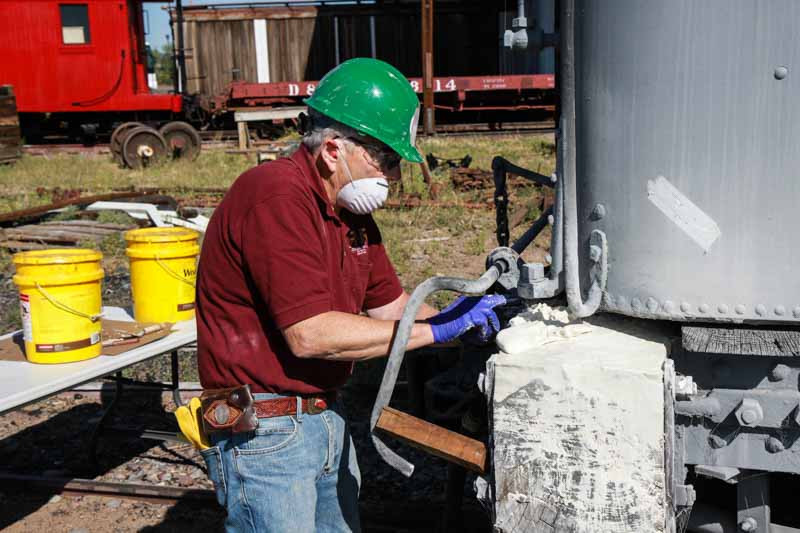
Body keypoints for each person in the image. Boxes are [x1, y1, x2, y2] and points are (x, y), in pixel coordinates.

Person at [195, 57, 505, 533]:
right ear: (334, 150)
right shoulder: (275, 196)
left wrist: (465, 319)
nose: (392, 176)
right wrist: (438, 330)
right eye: (385, 158)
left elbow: (394, 307)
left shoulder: (349, 215)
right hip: (265, 433)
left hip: (323, 418)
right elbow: (311, 335)